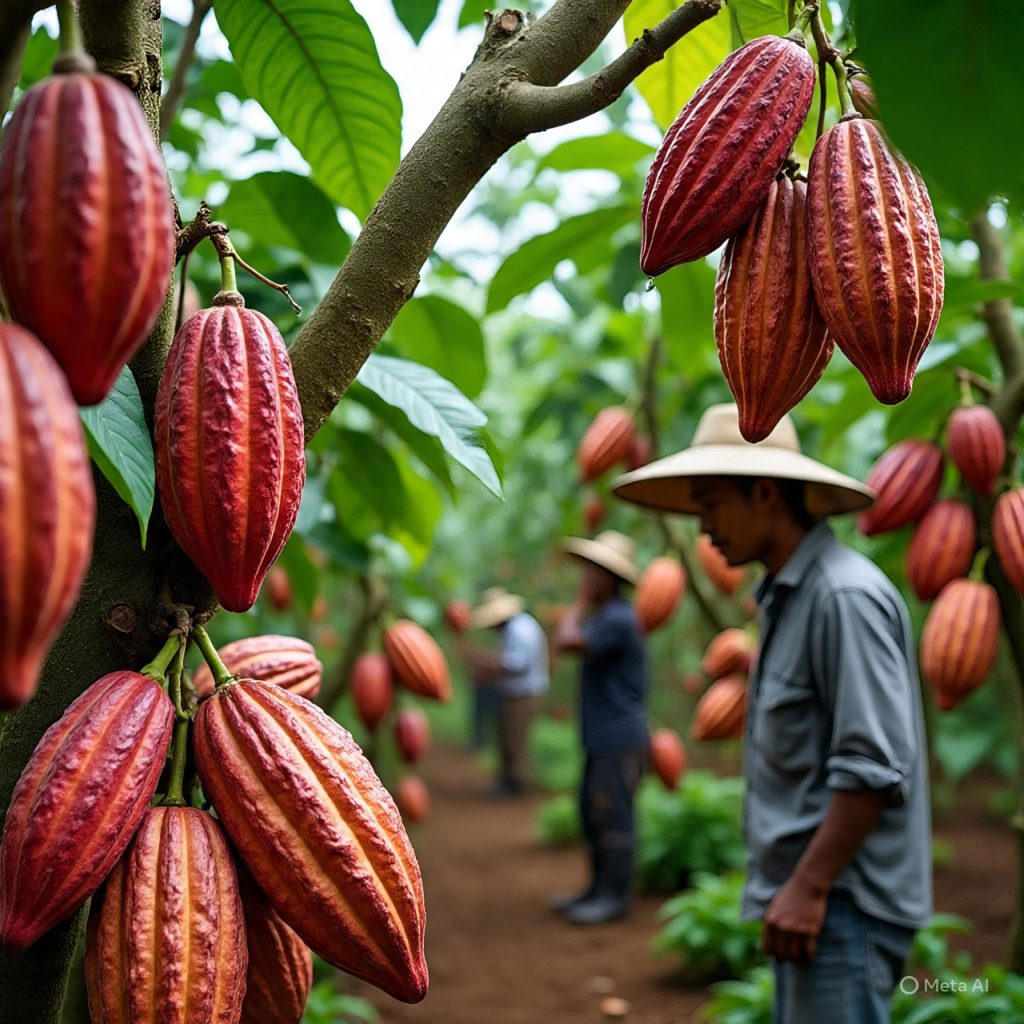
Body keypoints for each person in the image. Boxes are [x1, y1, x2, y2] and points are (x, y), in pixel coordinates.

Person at [612, 403, 931, 1024]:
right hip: (816, 899)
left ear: (764, 493)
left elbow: (873, 767)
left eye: (710, 505)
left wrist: (809, 888)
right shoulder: (790, 597)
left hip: (844, 902)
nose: (704, 529)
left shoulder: (843, 598)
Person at [552, 530, 649, 925]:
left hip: (619, 739)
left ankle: (613, 898)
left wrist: (578, 604)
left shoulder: (618, 619)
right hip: (604, 738)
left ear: (611, 577)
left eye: (594, 571)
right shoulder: (608, 617)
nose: (587, 577)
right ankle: (597, 890)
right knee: (593, 814)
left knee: (612, 817)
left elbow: (566, 642)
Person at [459, 587, 549, 798]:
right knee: (506, 736)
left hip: (523, 693)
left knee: (515, 739)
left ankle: (517, 783)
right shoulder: (514, 628)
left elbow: (517, 664)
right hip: (514, 692)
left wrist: (486, 664)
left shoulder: (520, 630)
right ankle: (508, 780)